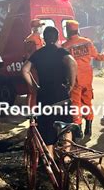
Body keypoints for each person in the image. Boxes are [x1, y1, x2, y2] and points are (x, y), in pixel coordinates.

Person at [21, 26, 77, 157]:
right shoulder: (61, 52)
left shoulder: (38, 54)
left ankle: (50, 160)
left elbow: (24, 70)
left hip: (45, 96)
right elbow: (72, 63)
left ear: (44, 39)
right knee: (67, 124)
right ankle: (67, 156)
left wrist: (34, 86)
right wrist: (71, 84)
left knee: (47, 128)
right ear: (57, 38)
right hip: (61, 94)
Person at [62, 20, 99, 136]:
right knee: (87, 101)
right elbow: (96, 55)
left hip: (75, 78)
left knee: (76, 103)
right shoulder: (87, 42)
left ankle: (78, 129)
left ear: (67, 31)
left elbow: (63, 64)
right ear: (77, 30)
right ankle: (89, 126)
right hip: (88, 77)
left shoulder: (65, 46)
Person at [23, 19, 45, 107]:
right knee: (33, 91)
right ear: (35, 28)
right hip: (33, 68)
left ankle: (36, 109)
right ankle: (31, 111)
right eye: (40, 26)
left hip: (39, 68)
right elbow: (29, 56)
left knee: (37, 91)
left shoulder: (40, 38)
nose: (41, 28)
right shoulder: (30, 39)